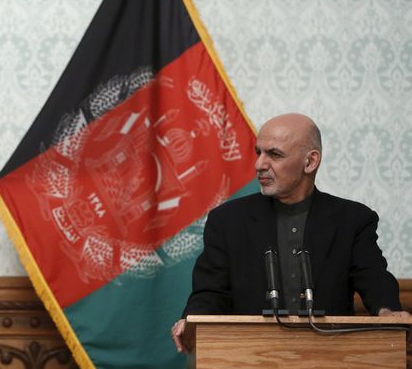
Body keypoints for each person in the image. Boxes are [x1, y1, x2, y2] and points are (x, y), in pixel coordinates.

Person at [171, 112, 409, 354]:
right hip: (249, 360)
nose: (259, 164)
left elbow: (373, 278)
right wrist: (192, 319)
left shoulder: (352, 219)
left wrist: (386, 310)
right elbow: (210, 292)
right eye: (258, 152)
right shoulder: (227, 220)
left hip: (332, 360)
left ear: (310, 162)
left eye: (274, 154)